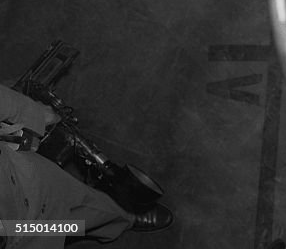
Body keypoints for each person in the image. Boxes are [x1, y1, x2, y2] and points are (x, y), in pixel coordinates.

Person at [0, 83, 172, 246]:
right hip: (19, 234)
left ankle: (121, 218)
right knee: (59, 225)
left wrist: (32, 113)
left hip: (21, 181)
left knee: (78, 208)